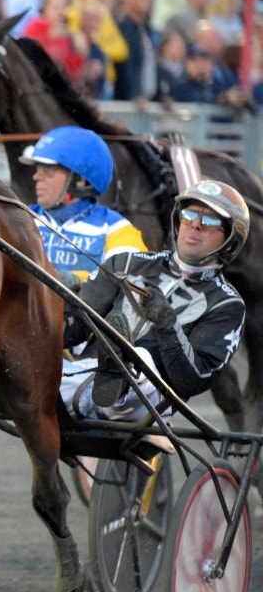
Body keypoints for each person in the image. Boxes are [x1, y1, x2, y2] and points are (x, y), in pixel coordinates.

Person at [61, 179, 247, 420]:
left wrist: (167, 322)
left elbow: (194, 379)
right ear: (178, 222)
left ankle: (120, 375)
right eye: (190, 215)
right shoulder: (125, 263)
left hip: (152, 404)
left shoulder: (227, 305)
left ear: (230, 242)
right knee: (41, 371)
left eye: (210, 221)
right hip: (83, 374)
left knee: (144, 359)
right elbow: (75, 327)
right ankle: (107, 375)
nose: (196, 225)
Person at [21, 126, 145, 285]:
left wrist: (73, 281)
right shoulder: (21, 218)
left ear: (80, 180)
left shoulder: (117, 228)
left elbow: (129, 283)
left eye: (48, 169)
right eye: (37, 167)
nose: (36, 176)